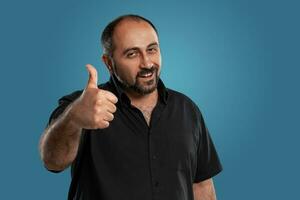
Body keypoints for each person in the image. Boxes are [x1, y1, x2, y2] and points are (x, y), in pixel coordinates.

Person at [39, 14, 223, 200]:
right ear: (109, 63)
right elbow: (52, 161)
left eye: (152, 50)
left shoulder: (187, 109)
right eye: (132, 54)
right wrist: (73, 119)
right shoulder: (85, 106)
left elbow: (201, 184)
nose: (147, 63)